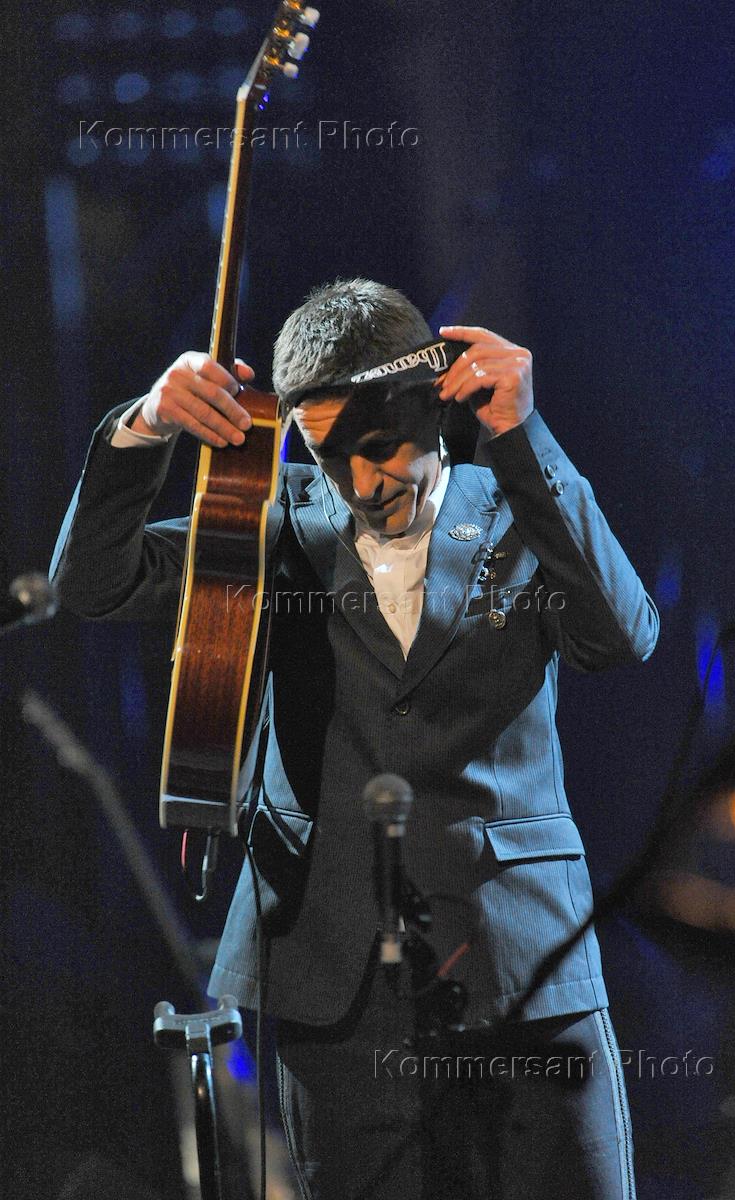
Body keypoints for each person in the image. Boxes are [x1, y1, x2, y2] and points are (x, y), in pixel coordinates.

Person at [51, 278, 659, 1199]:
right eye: (330, 456)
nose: (364, 485)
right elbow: (94, 584)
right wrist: (145, 425)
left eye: (380, 448)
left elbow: (621, 637)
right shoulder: (261, 527)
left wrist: (523, 434)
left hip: (520, 961)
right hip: (328, 977)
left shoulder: (521, 505)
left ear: (435, 404)